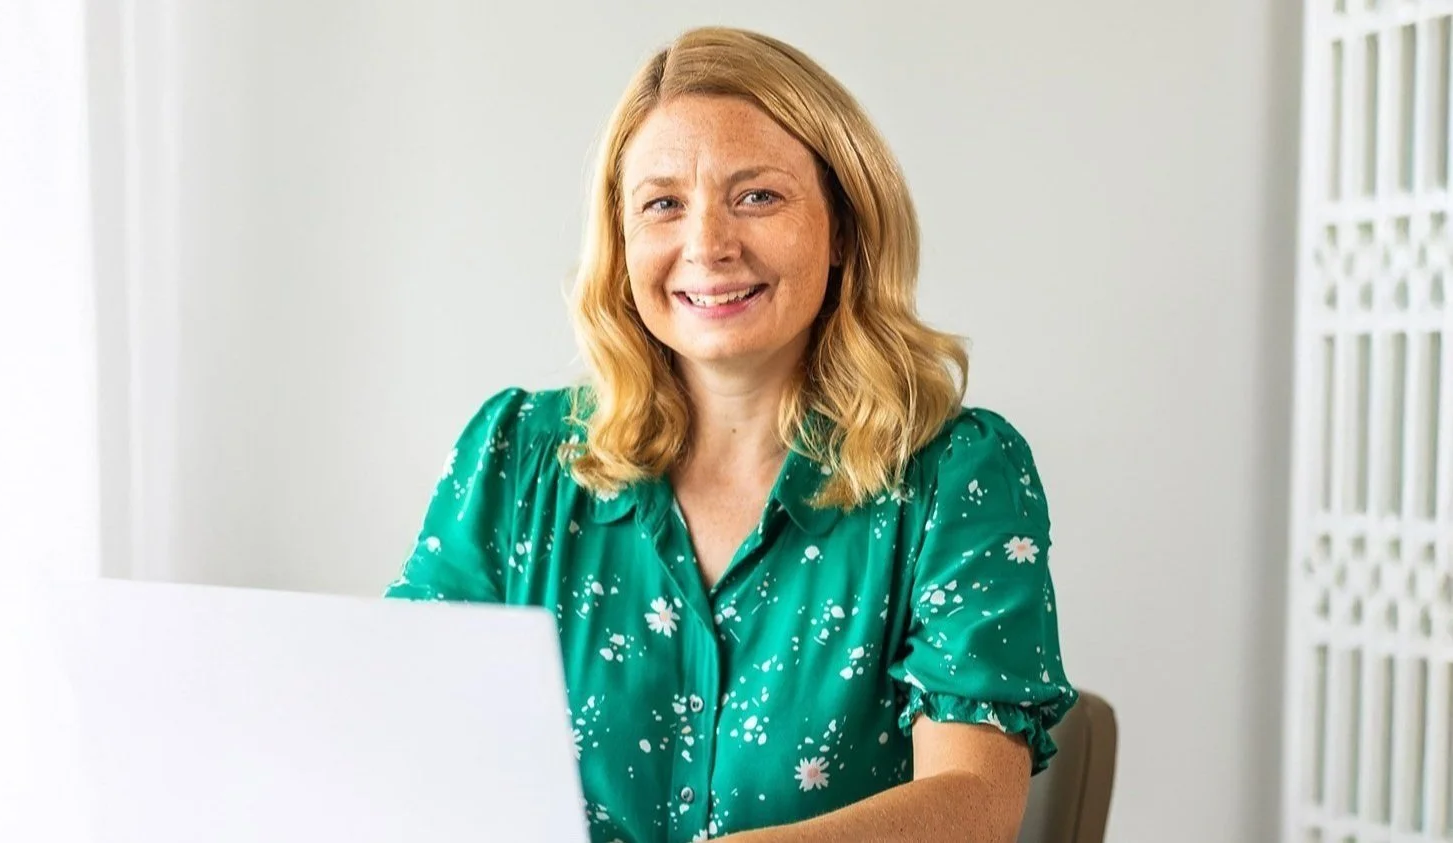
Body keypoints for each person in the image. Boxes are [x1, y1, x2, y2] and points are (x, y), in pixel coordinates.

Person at [386, 25, 1076, 843]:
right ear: (622, 240)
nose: (707, 246)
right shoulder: (513, 458)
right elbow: (400, 742)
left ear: (843, 229)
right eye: (663, 204)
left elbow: (972, 802)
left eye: (757, 195)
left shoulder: (955, 475)